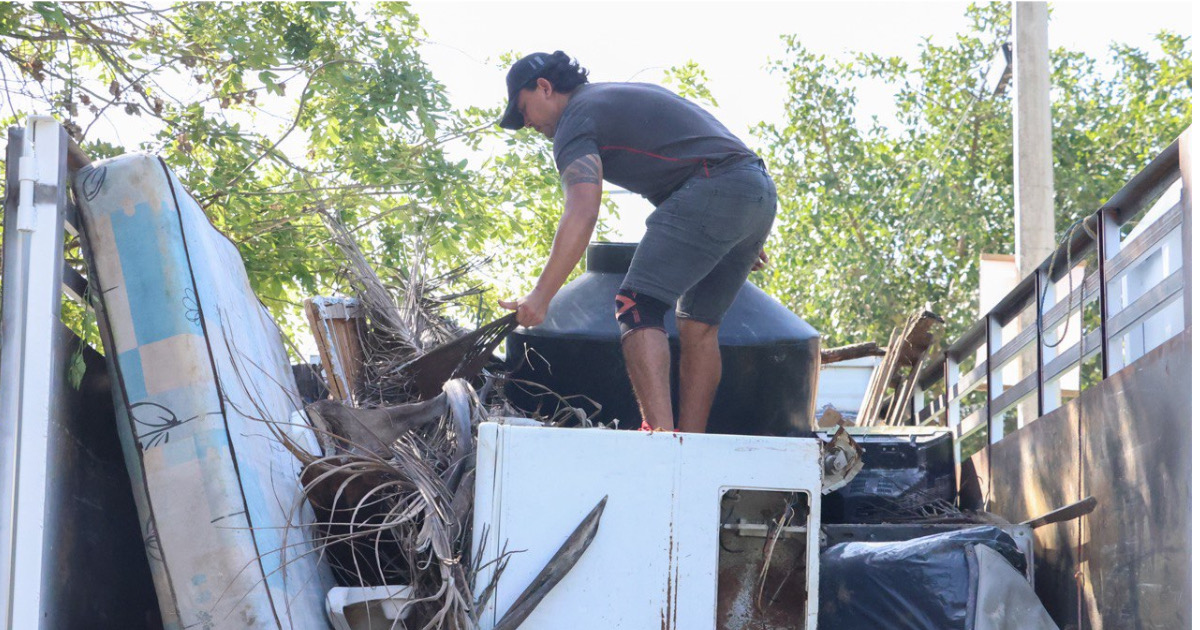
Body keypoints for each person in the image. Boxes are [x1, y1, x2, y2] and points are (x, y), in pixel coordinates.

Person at [497, 51, 777, 434]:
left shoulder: (574, 121)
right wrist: (739, 227)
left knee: (636, 304)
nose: (526, 123)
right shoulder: (614, 97)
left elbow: (583, 212)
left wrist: (541, 296)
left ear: (544, 87)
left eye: (523, 109)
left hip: (718, 188)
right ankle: (689, 446)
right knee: (698, 325)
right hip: (754, 189)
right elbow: (695, 157)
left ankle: (660, 442)